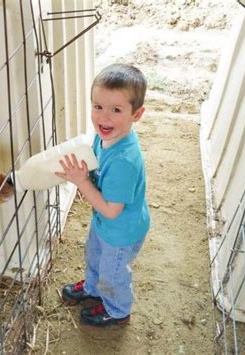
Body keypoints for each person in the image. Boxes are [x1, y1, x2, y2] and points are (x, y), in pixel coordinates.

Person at [55, 63, 150, 327]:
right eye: (97, 106)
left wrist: (81, 181)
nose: (103, 117)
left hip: (120, 231)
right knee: (94, 255)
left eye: (116, 110)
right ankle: (93, 288)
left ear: (137, 114)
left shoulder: (124, 162)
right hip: (105, 224)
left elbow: (111, 210)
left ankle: (117, 310)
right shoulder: (105, 136)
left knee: (113, 271)